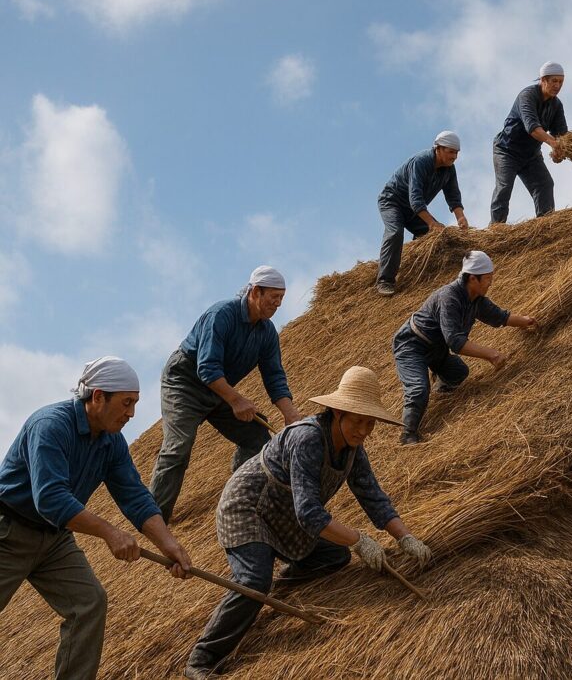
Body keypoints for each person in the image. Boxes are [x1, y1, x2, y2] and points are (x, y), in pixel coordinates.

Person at [183, 366, 432, 680]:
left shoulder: (354, 449)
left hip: (286, 514)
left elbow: (372, 495)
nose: (363, 430)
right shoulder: (307, 438)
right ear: (338, 411)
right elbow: (310, 514)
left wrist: (405, 537)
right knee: (252, 581)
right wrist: (359, 538)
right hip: (248, 508)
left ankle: (280, 585)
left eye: (369, 423)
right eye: (357, 420)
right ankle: (202, 659)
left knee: (334, 555)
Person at [0, 357, 192, 680]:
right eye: (126, 403)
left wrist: (170, 544)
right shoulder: (49, 426)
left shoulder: (111, 443)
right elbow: (49, 498)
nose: (131, 413)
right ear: (98, 396)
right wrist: (109, 533)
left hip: (55, 539)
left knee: (89, 604)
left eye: (135, 404)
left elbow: (135, 497)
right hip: (9, 531)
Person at [149, 266, 301, 522]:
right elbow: (206, 367)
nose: (277, 304)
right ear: (255, 291)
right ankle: (154, 517)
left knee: (257, 436)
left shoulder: (266, 334)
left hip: (219, 387)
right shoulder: (222, 314)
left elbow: (274, 377)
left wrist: (291, 415)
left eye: (281, 299)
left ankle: (238, 489)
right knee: (178, 447)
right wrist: (236, 399)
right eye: (273, 297)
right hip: (185, 382)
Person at [392, 250, 536, 445]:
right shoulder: (449, 297)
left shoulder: (476, 300)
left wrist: (526, 321)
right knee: (418, 389)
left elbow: (499, 316)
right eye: (487, 278)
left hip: (437, 349)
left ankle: (440, 391)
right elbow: (455, 342)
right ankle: (407, 435)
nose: (490, 282)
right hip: (412, 344)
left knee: (459, 372)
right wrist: (491, 354)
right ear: (472, 279)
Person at [375, 130, 470, 296]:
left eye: (456, 153)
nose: (454, 156)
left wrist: (460, 217)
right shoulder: (421, 162)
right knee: (395, 232)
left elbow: (453, 196)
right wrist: (432, 223)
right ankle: (385, 280)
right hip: (392, 202)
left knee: (435, 235)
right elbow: (416, 199)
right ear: (438, 149)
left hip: (414, 210)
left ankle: (415, 266)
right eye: (451, 152)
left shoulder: (449, 169)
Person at [490, 61, 568, 224]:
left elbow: (561, 135)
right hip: (507, 151)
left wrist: (560, 151)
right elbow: (532, 128)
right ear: (543, 80)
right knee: (504, 188)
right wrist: (553, 143)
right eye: (554, 81)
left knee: (545, 184)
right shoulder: (528, 95)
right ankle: (496, 228)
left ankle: (545, 224)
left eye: (561, 82)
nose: (558, 86)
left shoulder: (556, 105)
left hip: (531, 155)